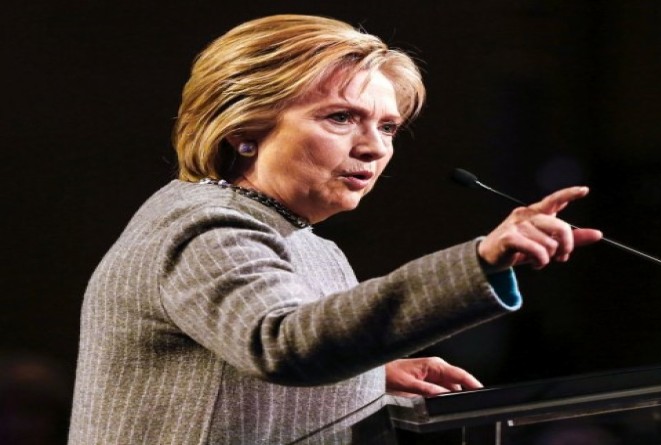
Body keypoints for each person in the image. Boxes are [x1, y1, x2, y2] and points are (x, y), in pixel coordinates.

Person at [67, 14, 603, 445]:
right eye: (341, 118)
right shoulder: (204, 224)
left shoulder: (308, 244)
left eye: (388, 126)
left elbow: (250, 366)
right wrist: (480, 261)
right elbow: (281, 344)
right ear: (243, 128)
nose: (374, 147)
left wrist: (368, 375)